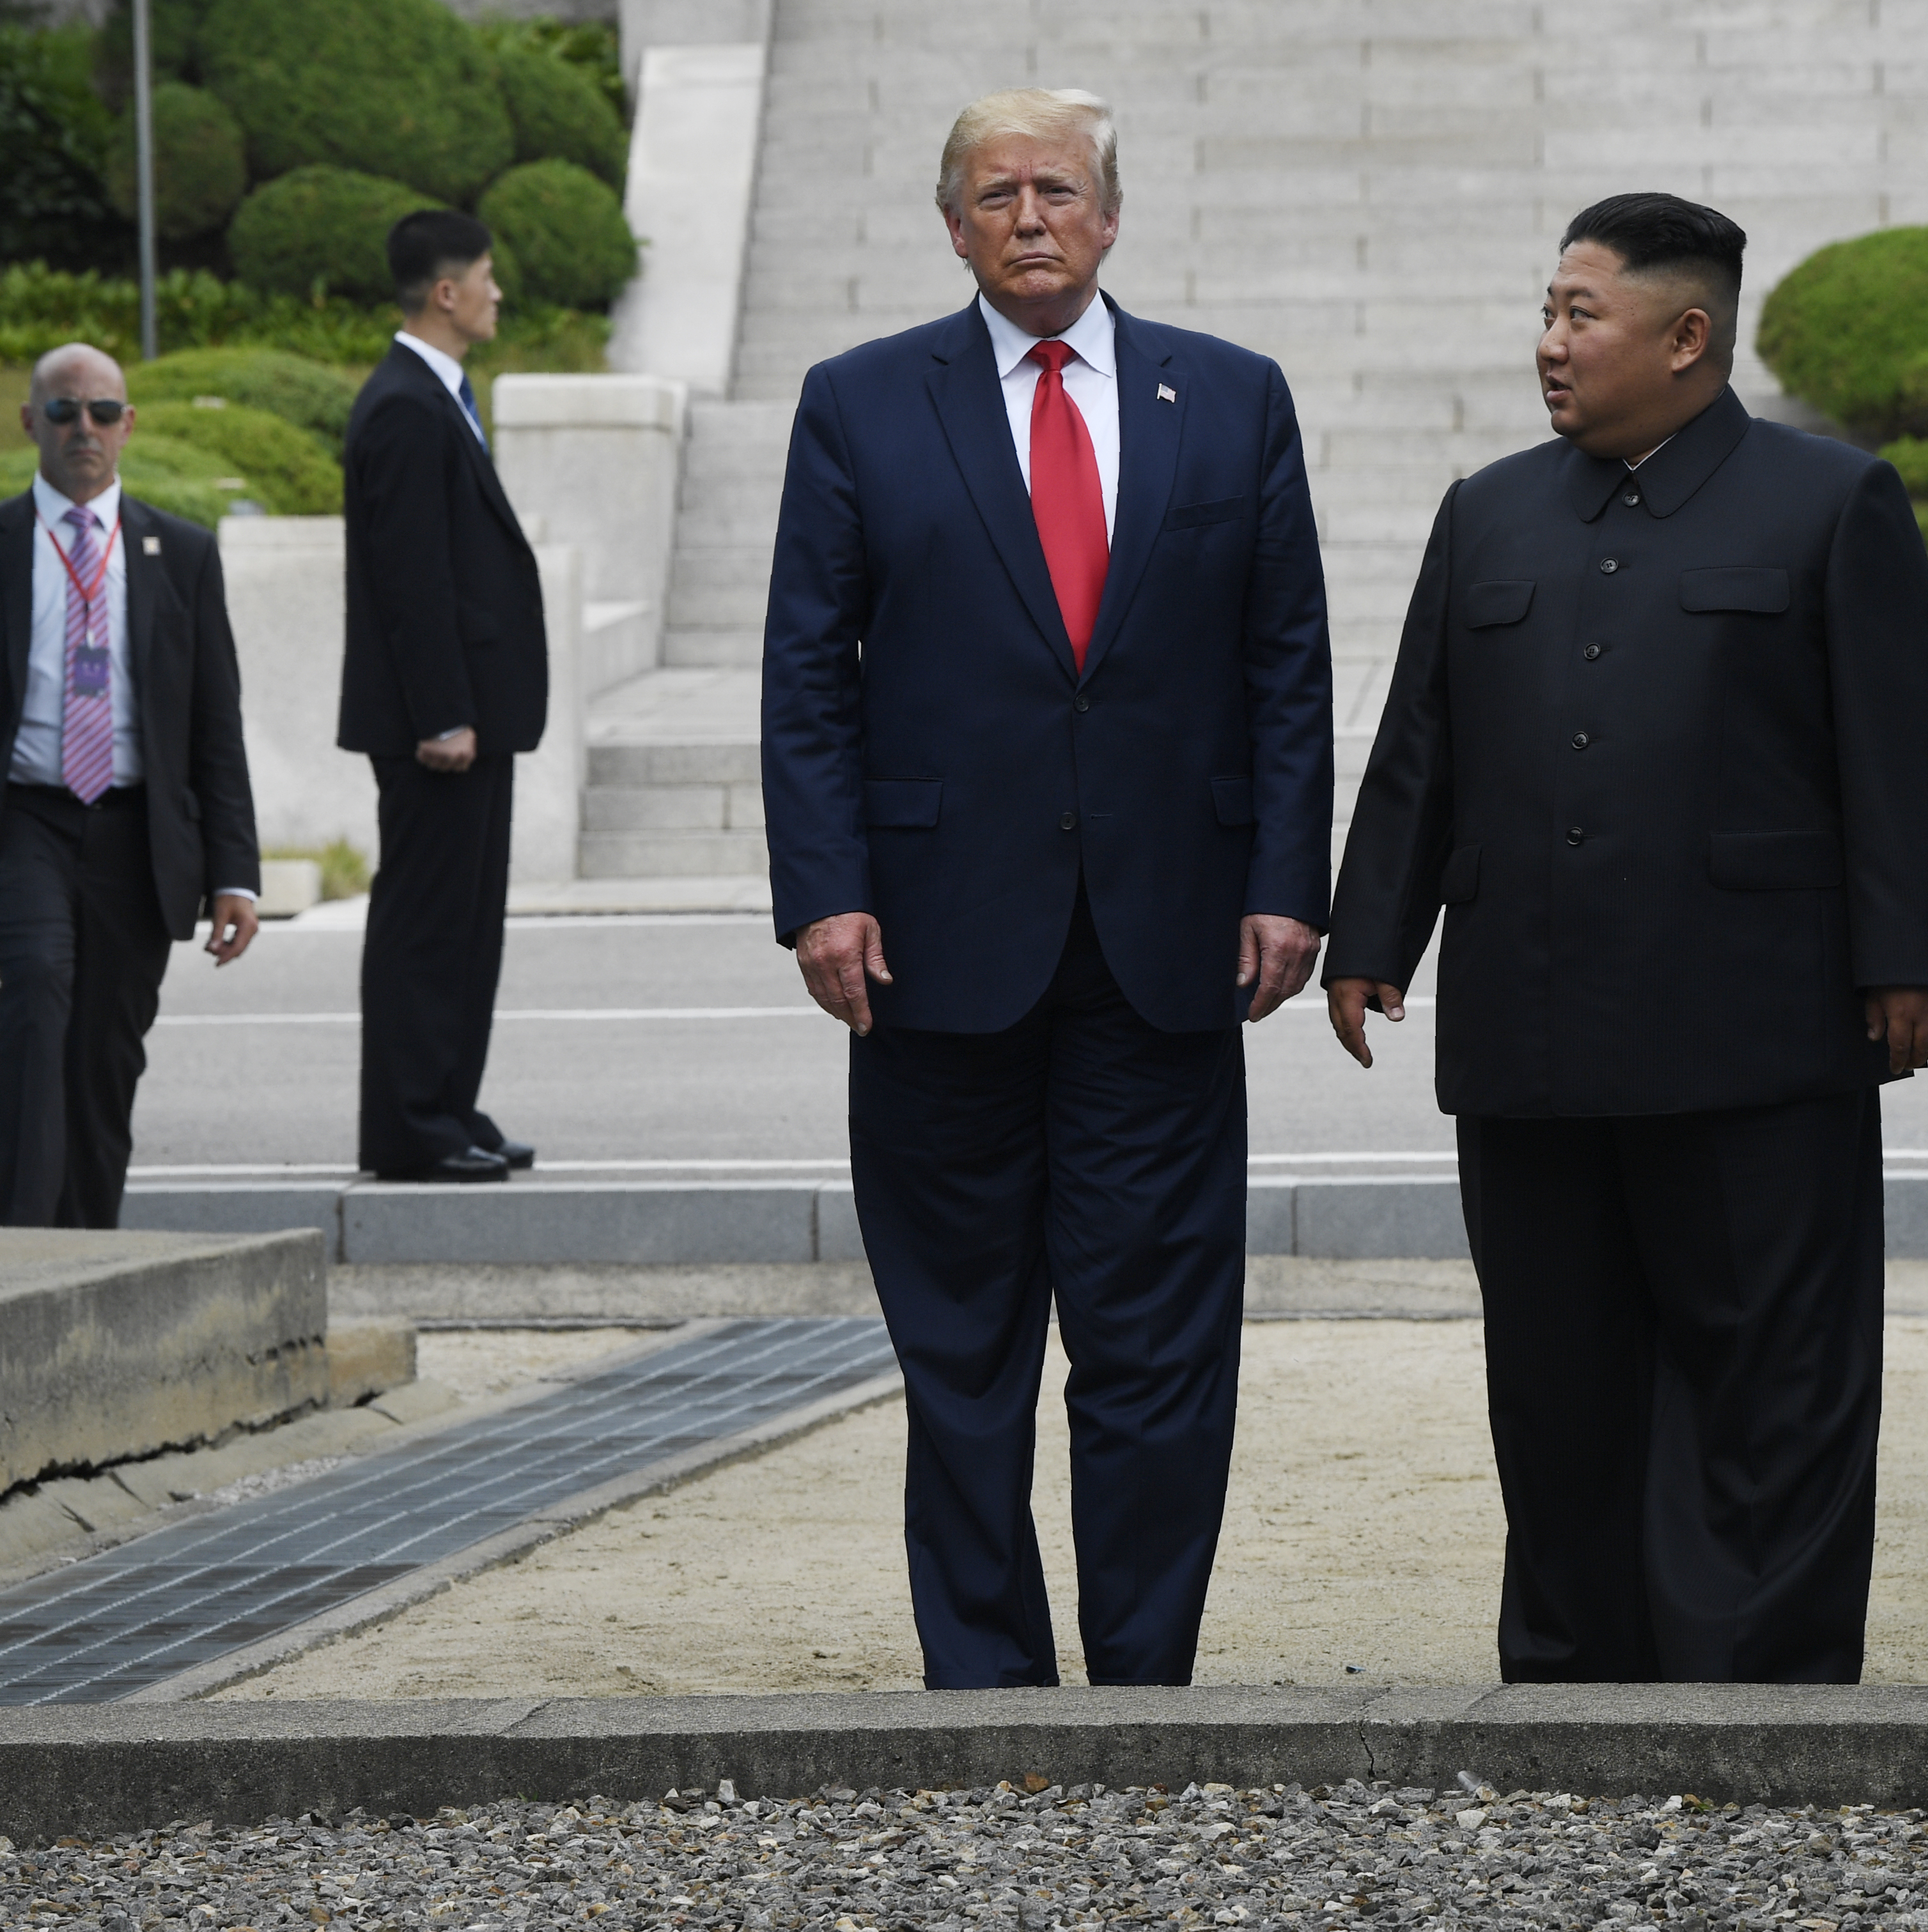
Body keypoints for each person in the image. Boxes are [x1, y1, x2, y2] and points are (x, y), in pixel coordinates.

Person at [1323, 193, 1928, 1685]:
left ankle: (1757, 1681)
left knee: (1770, 1377)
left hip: (1753, 1028)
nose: (1548, 343)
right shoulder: (1485, 507)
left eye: (1578, 314)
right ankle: (1571, 1670)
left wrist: (1910, 959)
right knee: (1555, 1376)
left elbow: (1893, 749)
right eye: (1546, 310)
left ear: (1685, 337)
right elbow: (1419, 737)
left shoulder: (1828, 500)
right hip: (1529, 1032)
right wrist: (1374, 932)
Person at [760, 88, 1334, 1688]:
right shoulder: (860, 403)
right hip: (931, 951)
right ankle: (983, 1677)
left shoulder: (1228, 398)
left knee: (1158, 1346)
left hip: (1167, 948)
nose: (1031, 216)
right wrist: (822, 890)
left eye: (1060, 190)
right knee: (959, 1348)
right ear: (952, 225)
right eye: (997, 192)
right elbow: (806, 669)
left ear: (1109, 215)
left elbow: (1286, 657)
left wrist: (1290, 876)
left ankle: (1144, 1679)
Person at [0, 343, 263, 1228]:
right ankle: (17, 1244)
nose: (81, 428)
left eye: (100, 412)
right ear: (30, 423)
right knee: (39, 987)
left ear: (128, 425)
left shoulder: (185, 555)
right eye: (62, 411)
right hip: (23, 821)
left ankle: (88, 1252)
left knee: (106, 1045)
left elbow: (215, 726)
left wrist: (234, 871)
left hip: (138, 832)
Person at [339, 208, 548, 1184]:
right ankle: (411, 1125)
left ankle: (450, 1104)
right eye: (487, 277)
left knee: (468, 923)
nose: (499, 293)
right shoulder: (403, 407)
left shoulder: (441, 397)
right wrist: (441, 713)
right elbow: (409, 580)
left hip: (473, 717)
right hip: (441, 726)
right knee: (427, 923)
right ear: (446, 292)